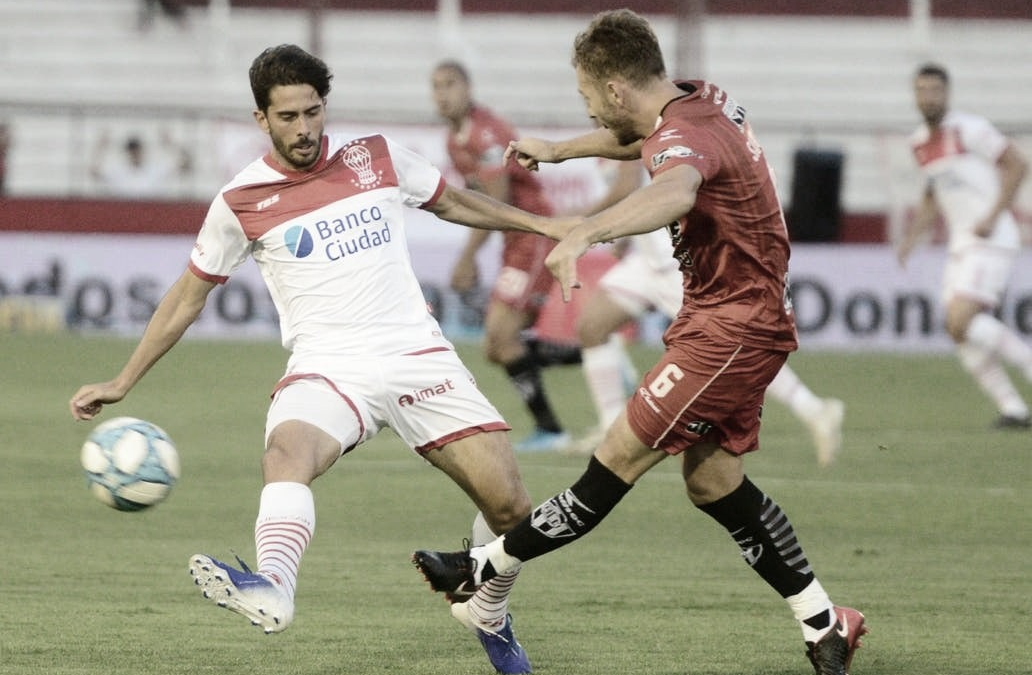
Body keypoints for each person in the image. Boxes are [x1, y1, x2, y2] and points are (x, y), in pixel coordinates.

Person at [69, 44, 580, 675]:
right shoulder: (241, 200)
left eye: (313, 112)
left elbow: (457, 202)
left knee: (512, 512)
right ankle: (274, 586)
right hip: (328, 365)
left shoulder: (377, 158)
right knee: (287, 455)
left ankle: (487, 609)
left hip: (418, 355)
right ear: (262, 119)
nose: (304, 129)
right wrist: (123, 380)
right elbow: (185, 298)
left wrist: (547, 227)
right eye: (288, 117)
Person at [412, 10, 867, 675]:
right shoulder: (696, 98)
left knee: (615, 457)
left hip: (732, 327)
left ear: (616, 90)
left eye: (588, 98)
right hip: (731, 316)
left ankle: (480, 567)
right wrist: (564, 149)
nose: (589, 109)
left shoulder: (682, 141)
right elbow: (643, 142)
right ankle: (827, 623)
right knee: (713, 483)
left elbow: (677, 186)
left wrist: (587, 231)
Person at [571, 159, 845, 465]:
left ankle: (813, 408)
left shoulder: (629, 126)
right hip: (646, 260)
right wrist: (624, 240)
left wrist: (579, 224)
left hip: (674, 261)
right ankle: (610, 425)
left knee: (728, 347)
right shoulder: (611, 128)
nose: (592, 112)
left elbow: (626, 187)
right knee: (592, 326)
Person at [431, 60, 571, 452]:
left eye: (450, 84)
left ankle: (554, 426)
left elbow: (498, 203)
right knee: (498, 345)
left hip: (533, 233)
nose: (442, 94)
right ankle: (597, 359)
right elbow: (477, 202)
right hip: (515, 240)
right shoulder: (454, 139)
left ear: (468, 87)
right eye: (436, 86)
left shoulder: (485, 134)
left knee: (501, 339)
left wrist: (467, 257)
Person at [898, 62, 1032, 429]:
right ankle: (1013, 408)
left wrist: (994, 214)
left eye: (935, 90)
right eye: (922, 90)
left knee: (961, 319)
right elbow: (932, 194)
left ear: (947, 93)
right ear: (914, 95)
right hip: (962, 243)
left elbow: (1018, 164)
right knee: (957, 330)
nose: (929, 96)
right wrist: (912, 237)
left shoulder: (970, 128)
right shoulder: (919, 143)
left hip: (991, 237)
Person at [89, 130, 192, 200]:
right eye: (132, 151)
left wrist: (171, 144)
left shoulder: (156, 169)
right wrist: (100, 147)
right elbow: (94, 172)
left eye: (137, 151)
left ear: (142, 151)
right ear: (128, 152)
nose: (135, 154)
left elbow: (186, 164)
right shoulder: (117, 171)